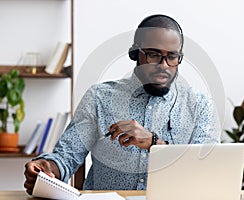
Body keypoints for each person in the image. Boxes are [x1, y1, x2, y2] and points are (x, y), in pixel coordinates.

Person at [24, 14, 220, 194]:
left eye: (172, 57)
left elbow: (203, 173)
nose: (163, 65)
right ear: (135, 53)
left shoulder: (200, 105)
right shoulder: (99, 98)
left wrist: (155, 144)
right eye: (153, 54)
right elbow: (67, 155)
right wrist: (47, 168)